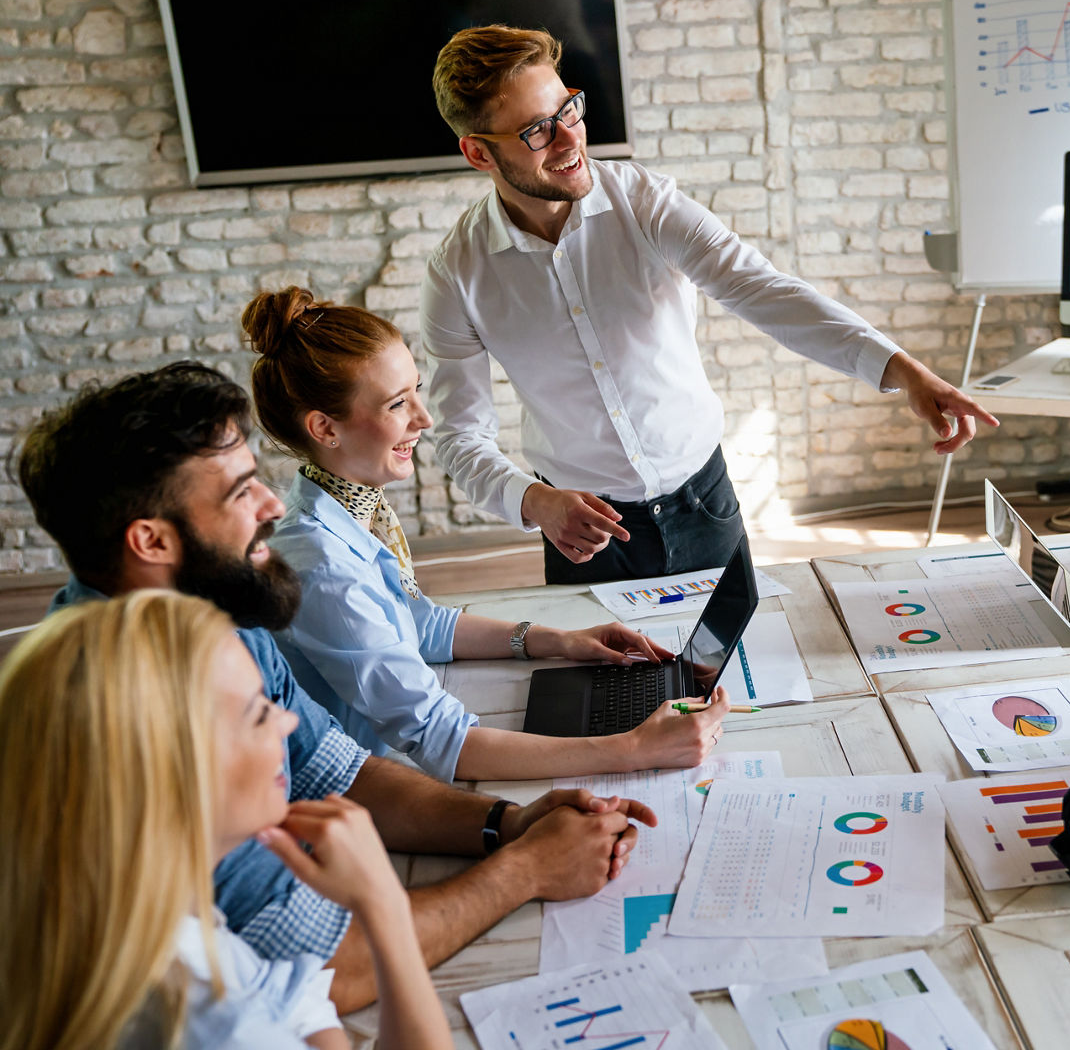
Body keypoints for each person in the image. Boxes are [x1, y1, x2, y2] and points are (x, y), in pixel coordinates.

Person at [16, 362, 657, 1015]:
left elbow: (341, 773)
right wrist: (525, 871)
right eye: (240, 492)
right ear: (150, 540)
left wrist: (507, 824)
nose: (273, 504)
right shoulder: (121, 719)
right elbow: (326, 969)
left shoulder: (212, 606)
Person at [423, 24, 999, 584]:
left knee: (735, 667)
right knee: (611, 682)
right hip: (579, 529)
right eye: (537, 131)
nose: (572, 138)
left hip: (704, 498)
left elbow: (762, 288)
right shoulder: (457, 273)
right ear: (478, 153)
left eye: (568, 109)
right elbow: (457, 434)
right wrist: (531, 500)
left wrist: (902, 369)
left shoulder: (645, 203)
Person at [242, 287, 729, 782]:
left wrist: (560, 641)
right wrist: (634, 748)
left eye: (416, 390)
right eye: (397, 404)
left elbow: (419, 625)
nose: (424, 418)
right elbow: (441, 738)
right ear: (325, 428)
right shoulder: (321, 568)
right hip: (363, 791)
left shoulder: (347, 506)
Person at [0, 590, 450, 1050]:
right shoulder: (207, 1018)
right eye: (258, 714)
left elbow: (296, 1010)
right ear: (173, 777)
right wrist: (384, 908)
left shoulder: (156, 914)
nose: (286, 723)